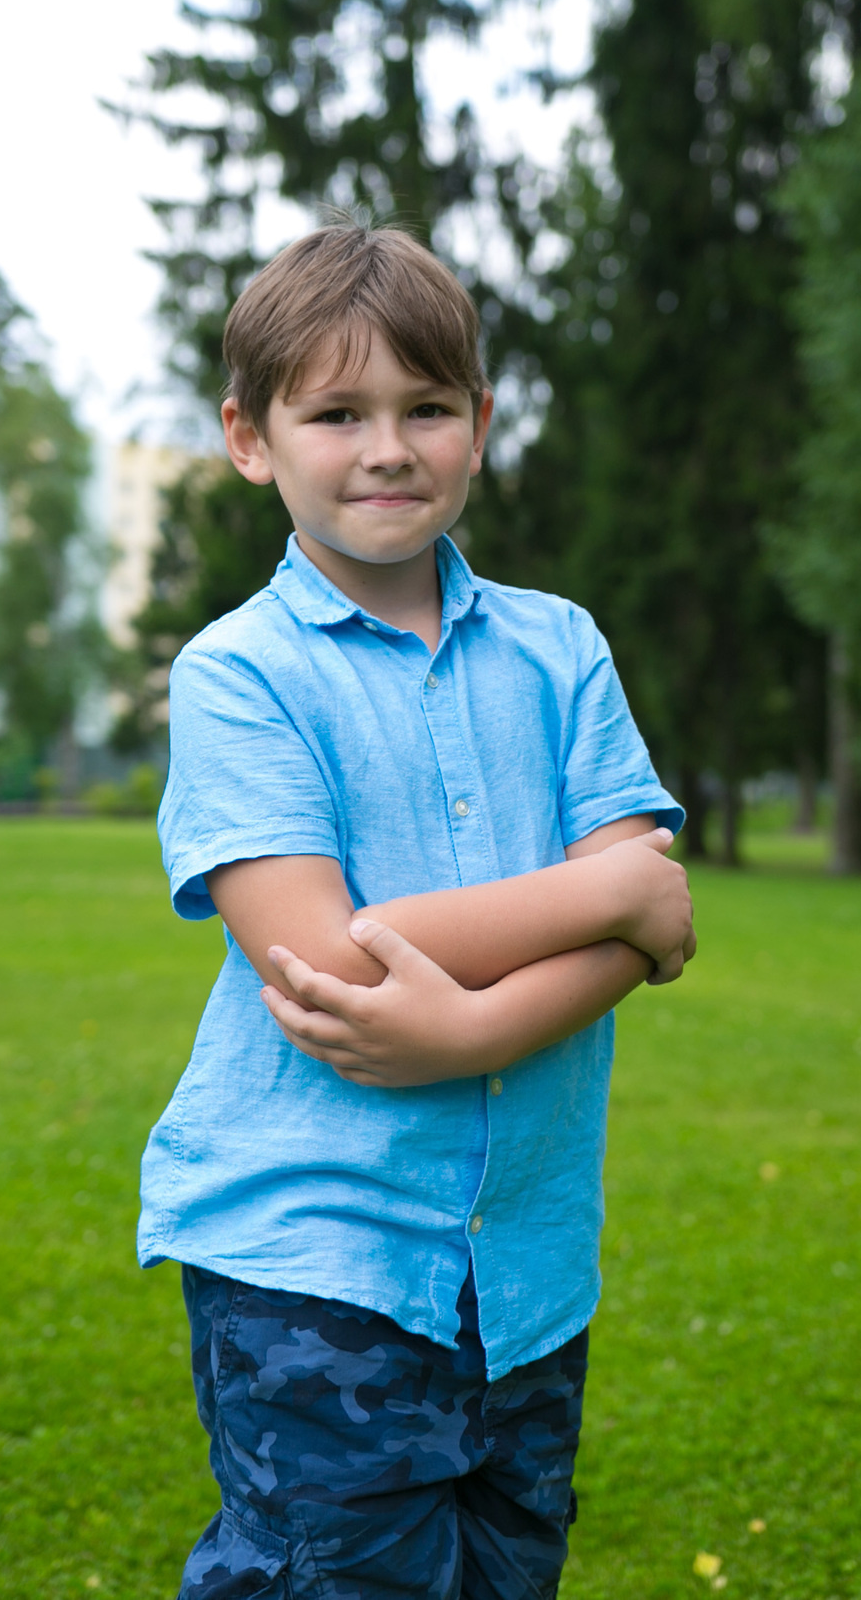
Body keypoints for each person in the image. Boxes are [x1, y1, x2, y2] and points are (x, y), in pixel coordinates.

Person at [140, 218, 695, 1599]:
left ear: (479, 425)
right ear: (250, 437)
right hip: (315, 1261)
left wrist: (469, 1028)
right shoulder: (237, 674)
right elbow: (322, 961)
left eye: (425, 408)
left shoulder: (560, 648)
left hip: (526, 1270)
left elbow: (649, 928)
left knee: (508, 1577)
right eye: (337, 412)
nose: (387, 447)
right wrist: (608, 889)